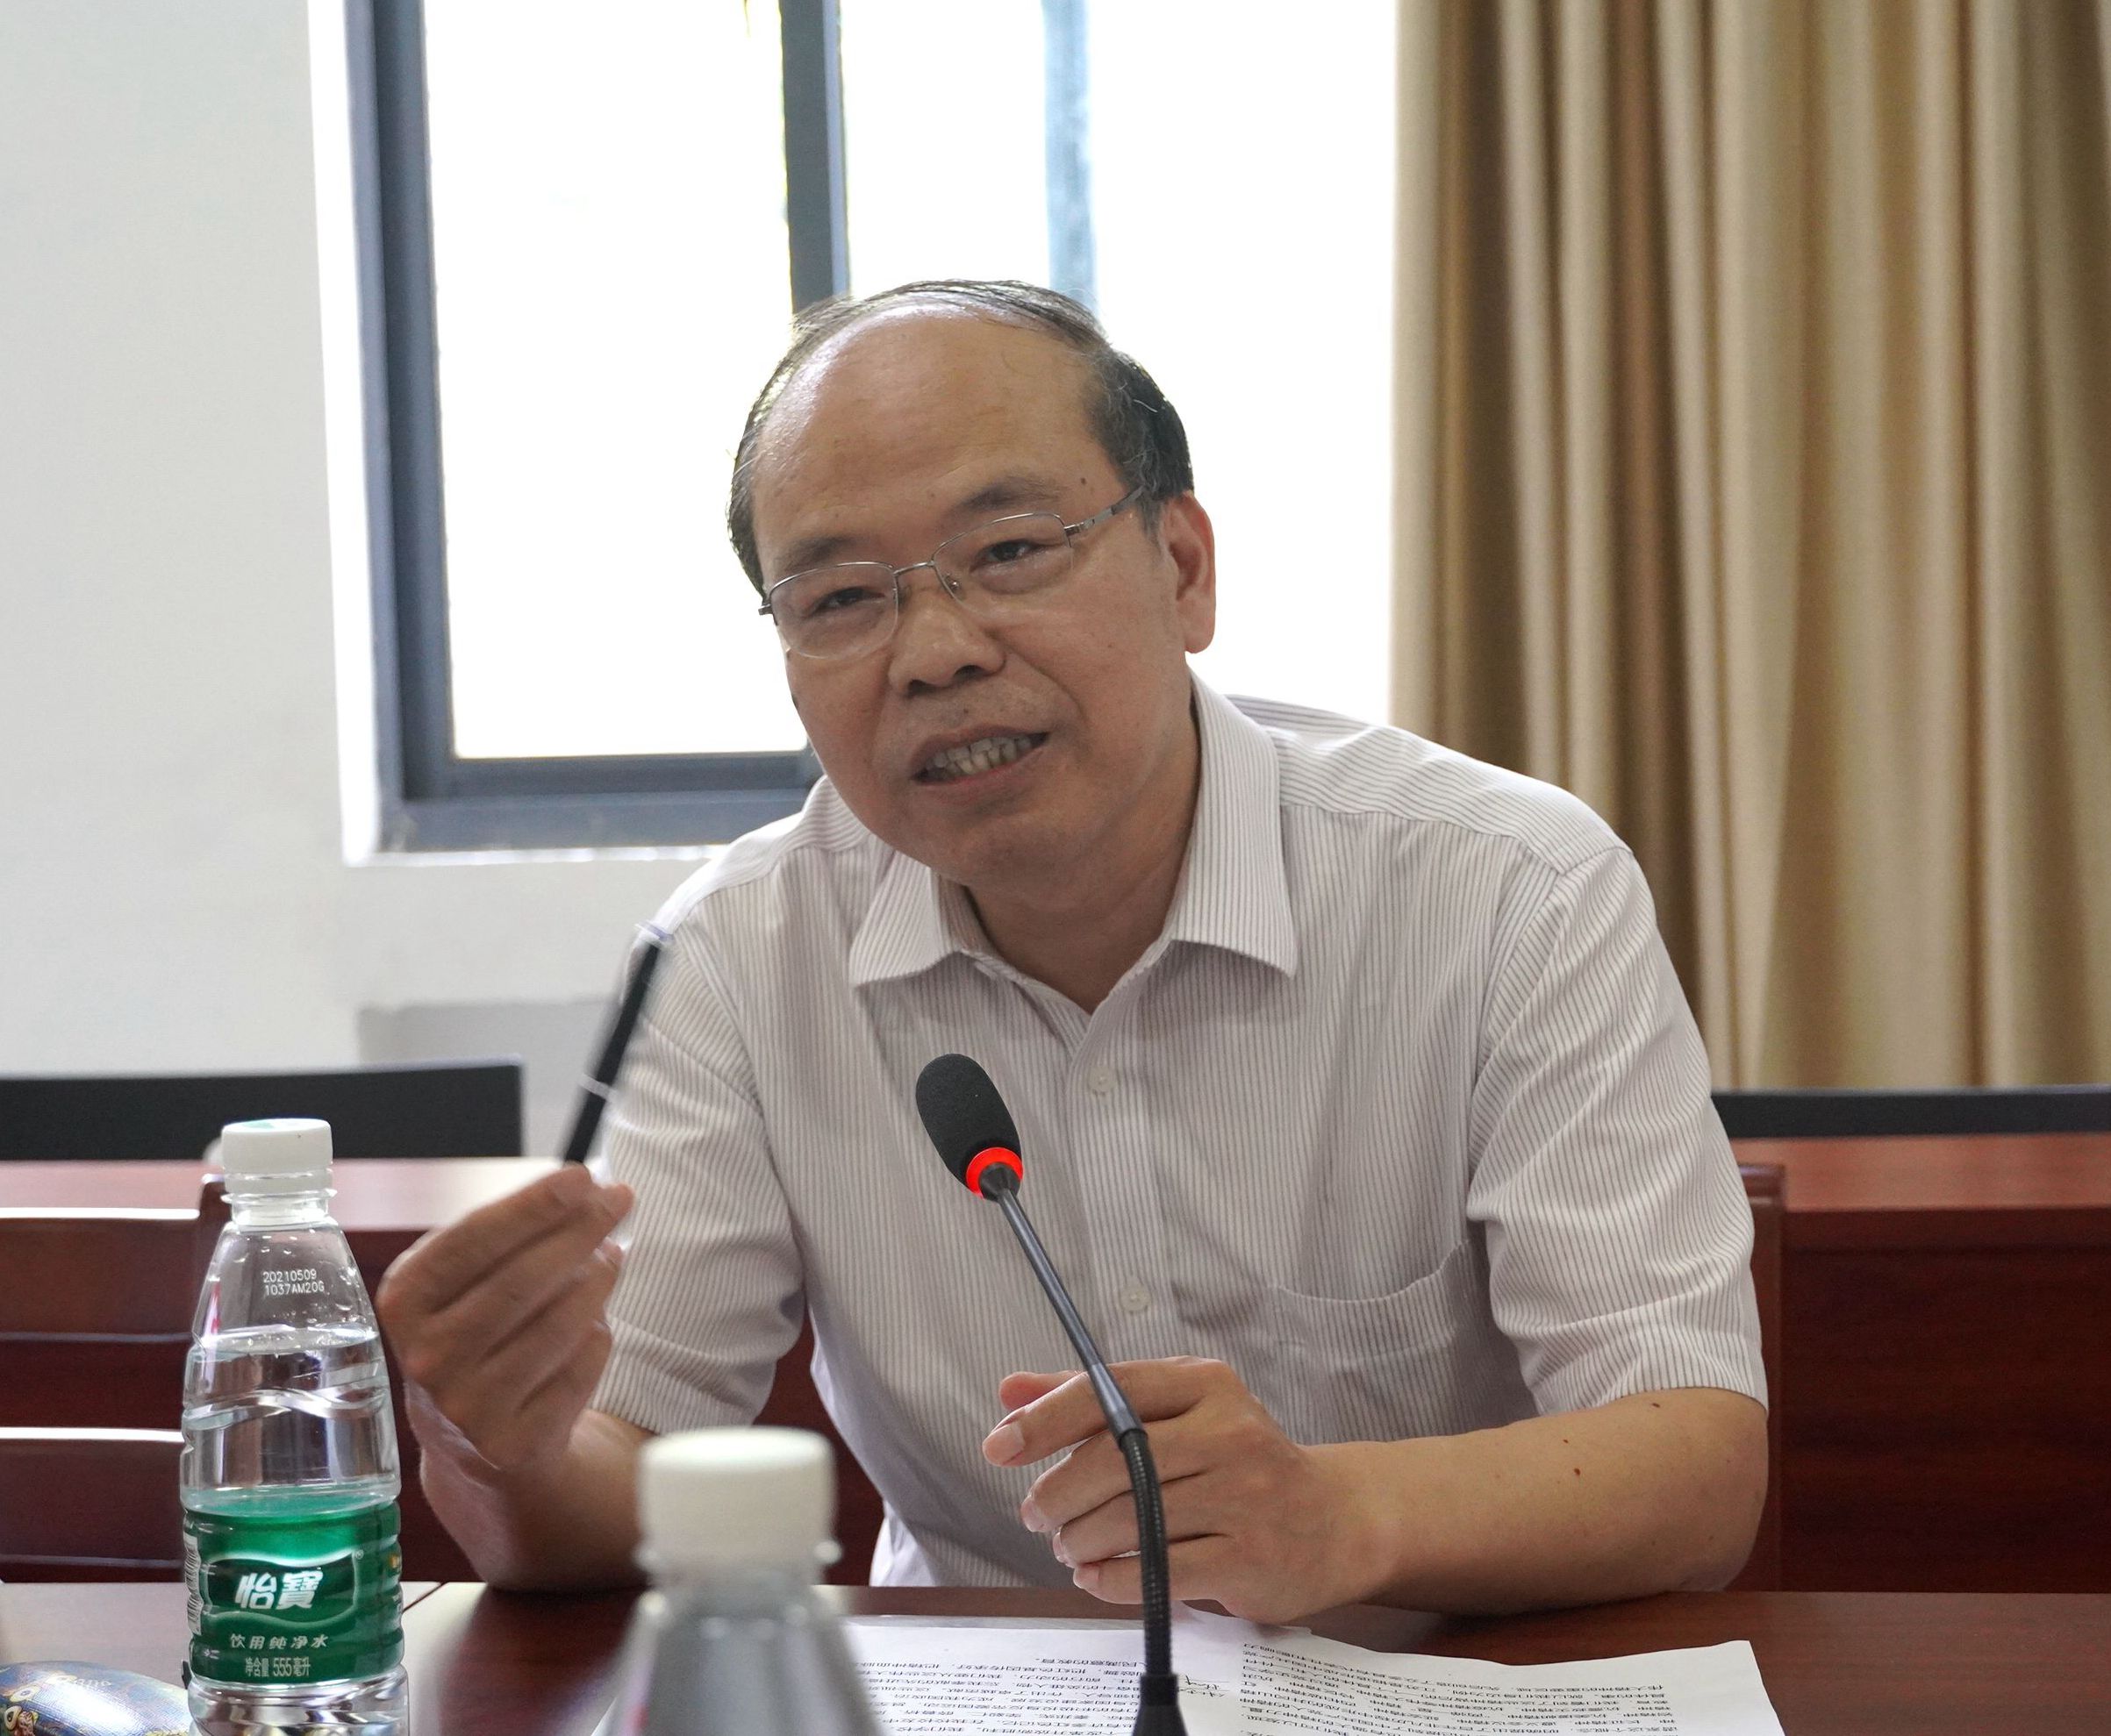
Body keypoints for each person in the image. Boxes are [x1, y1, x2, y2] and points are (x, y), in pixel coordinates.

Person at [376, 281, 1766, 1624]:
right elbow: (616, 1481)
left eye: (1009, 554)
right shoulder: (735, 957)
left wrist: (1341, 1517)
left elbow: (1690, 1461)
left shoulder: (1505, 887)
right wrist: (496, 1445)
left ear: (1182, 570)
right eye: (841, 600)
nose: (934, 653)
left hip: (1435, 1691)